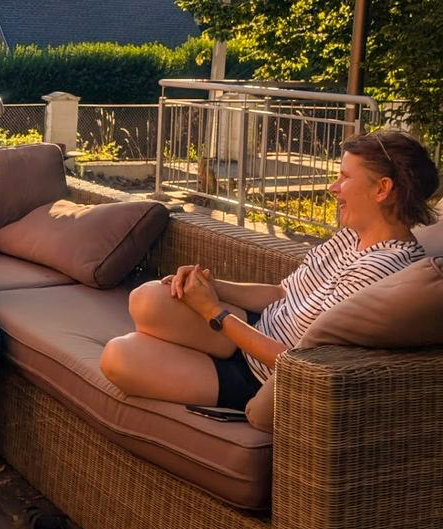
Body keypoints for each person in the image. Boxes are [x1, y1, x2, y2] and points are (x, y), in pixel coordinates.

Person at [100, 130, 439, 409]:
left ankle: (189, 356)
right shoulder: (350, 236)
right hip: (252, 326)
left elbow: (300, 362)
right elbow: (282, 292)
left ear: (382, 189)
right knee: (147, 298)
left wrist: (213, 312)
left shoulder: (383, 269)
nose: (333, 187)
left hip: (260, 374)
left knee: (117, 357)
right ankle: (189, 347)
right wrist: (209, 286)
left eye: (345, 177)